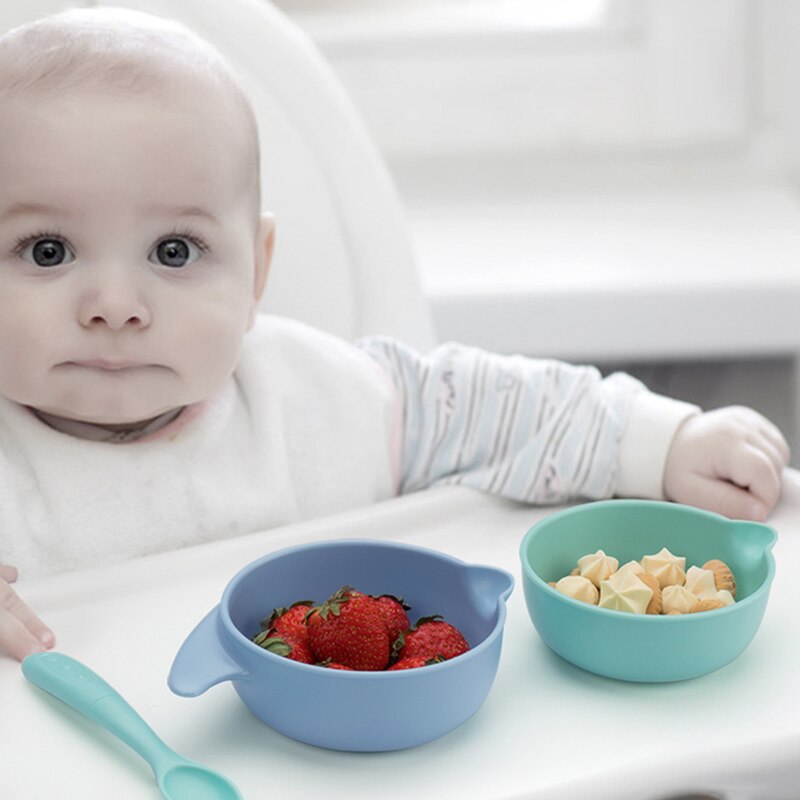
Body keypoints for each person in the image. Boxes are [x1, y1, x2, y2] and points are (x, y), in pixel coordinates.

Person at [0, 8, 789, 662]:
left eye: (174, 251)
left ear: (256, 273)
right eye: (47, 250)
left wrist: (666, 441)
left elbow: (507, 408)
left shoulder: (322, 399)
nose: (114, 304)